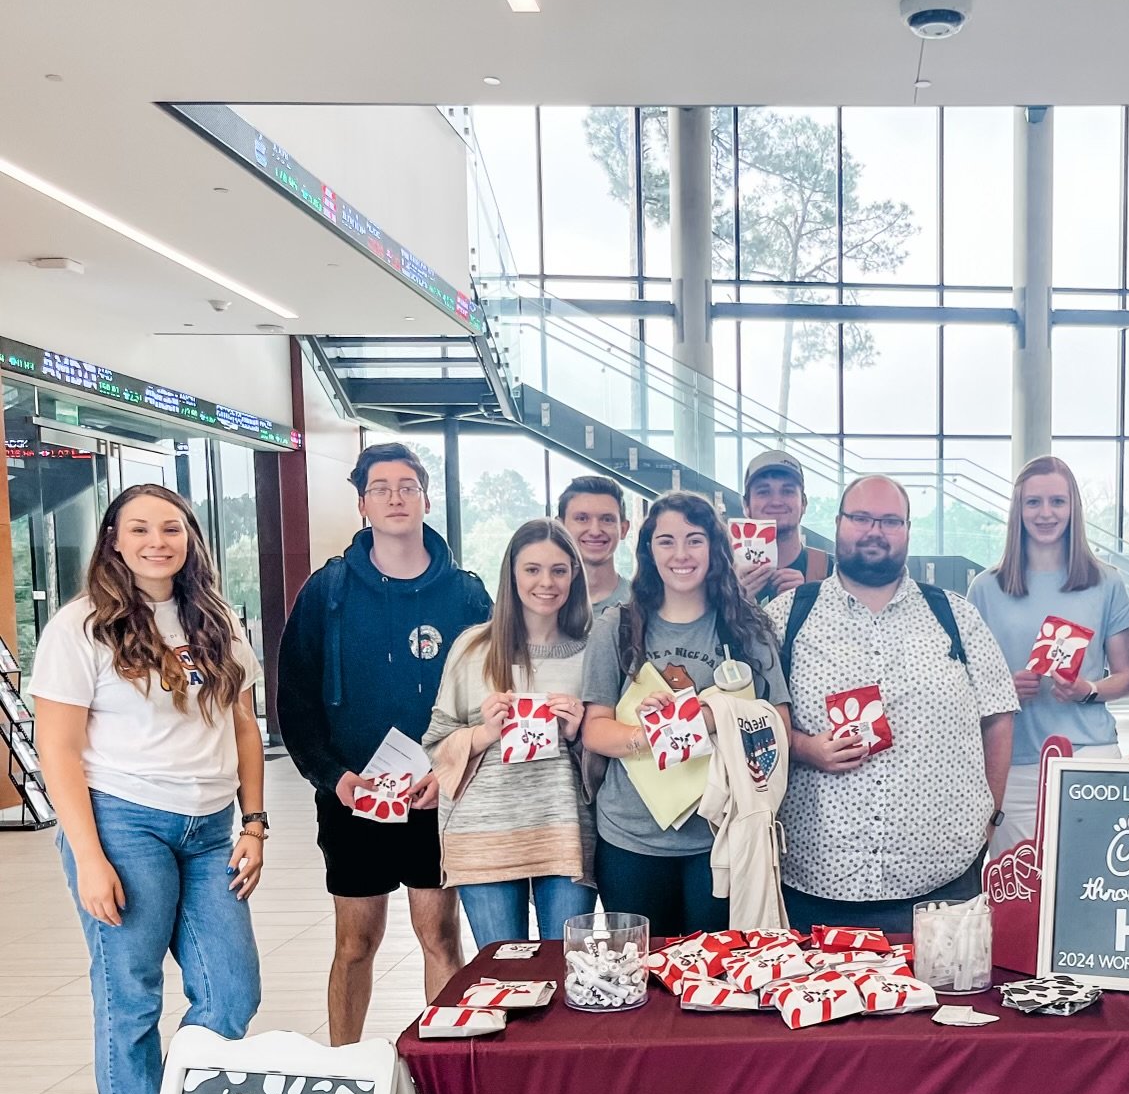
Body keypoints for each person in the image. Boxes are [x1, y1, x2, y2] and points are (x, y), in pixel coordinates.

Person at [32, 484, 265, 1094]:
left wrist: (254, 822)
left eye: (171, 528)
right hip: (122, 821)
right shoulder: (80, 627)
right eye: (139, 528)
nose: (156, 541)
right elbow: (57, 749)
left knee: (231, 988)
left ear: (191, 538)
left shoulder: (216, 617)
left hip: (211, 828)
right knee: (130, 990)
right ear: (113, 538)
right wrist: (89, 856)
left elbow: (244, 726)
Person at [278, 442, 492, 1044]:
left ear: (426, 499)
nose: (395, 498)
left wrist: (451, 773)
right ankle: (343, 1067)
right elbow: (296, 702)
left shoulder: (466, 595)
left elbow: (491, 692)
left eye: (407, 487)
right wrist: (334, 778)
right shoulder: (328, 591)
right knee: (355, 941)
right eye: (381, 488)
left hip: (437, 794)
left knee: (439, 936)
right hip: (355, 795)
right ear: (362, 504)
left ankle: (441, 1070)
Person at [767, 474, 1019, 933]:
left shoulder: (955, 615)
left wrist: (991, 818)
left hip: (942, 879)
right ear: (838, 523)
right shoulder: (787, 616)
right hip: (815, 879)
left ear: (907, 530)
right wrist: (804, 748)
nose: (874, 531)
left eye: (889, 521)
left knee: (946, 984)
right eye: (861, 518)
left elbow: (998, 716)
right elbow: (752, 725)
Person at [581, 491, 790, 937]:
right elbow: (594, 731)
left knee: (715, 968)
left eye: (695, 540)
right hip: (630, 838)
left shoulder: (747, 627)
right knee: (643, 969)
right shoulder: (617, 626)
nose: (681, 554)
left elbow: (780, 729)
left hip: (720, 836)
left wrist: (713, 716)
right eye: (666, 541)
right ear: (647, 550)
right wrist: (650, 733)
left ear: (715, 548)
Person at [424, 518, 594, 949]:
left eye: (558, 570)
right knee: (504, 972)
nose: (546, 582)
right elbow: (436, 745)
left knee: (568, 967)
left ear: (574, 575)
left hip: (563, 834)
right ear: (512, 574)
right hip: (486, 837)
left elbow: (606, 766)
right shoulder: (472, 649)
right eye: (532, 569)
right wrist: (485, 733)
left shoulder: (591, 653)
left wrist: (578, 735)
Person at [968, 456, 1129, 858]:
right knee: (1017, 883)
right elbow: (965, 685)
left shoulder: (1106, 581)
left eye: (1057, 502)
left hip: (1088, 754)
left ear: (1073, 507)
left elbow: (1127, 678)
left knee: (1093, 879)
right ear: (1018, 509)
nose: (1046, 513)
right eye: (1034, 502)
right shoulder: (985, 588)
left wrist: (1087, 689)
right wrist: (1004, 689)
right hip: (1011, 762)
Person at [734, 449, 830, 603]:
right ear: (746, 505)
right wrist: (732, 602)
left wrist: (809, 602)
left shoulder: (831, 573)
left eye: (787, 491)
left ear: (804, 503)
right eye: (764, 492)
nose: (776, 502)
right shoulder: (720, 575)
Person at [558, 474, 631, 613]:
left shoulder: (644, 605)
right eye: (582, 518)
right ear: (560, 527)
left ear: (623, 529)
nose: (595, 531)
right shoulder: (544, 602)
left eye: (607, 519)